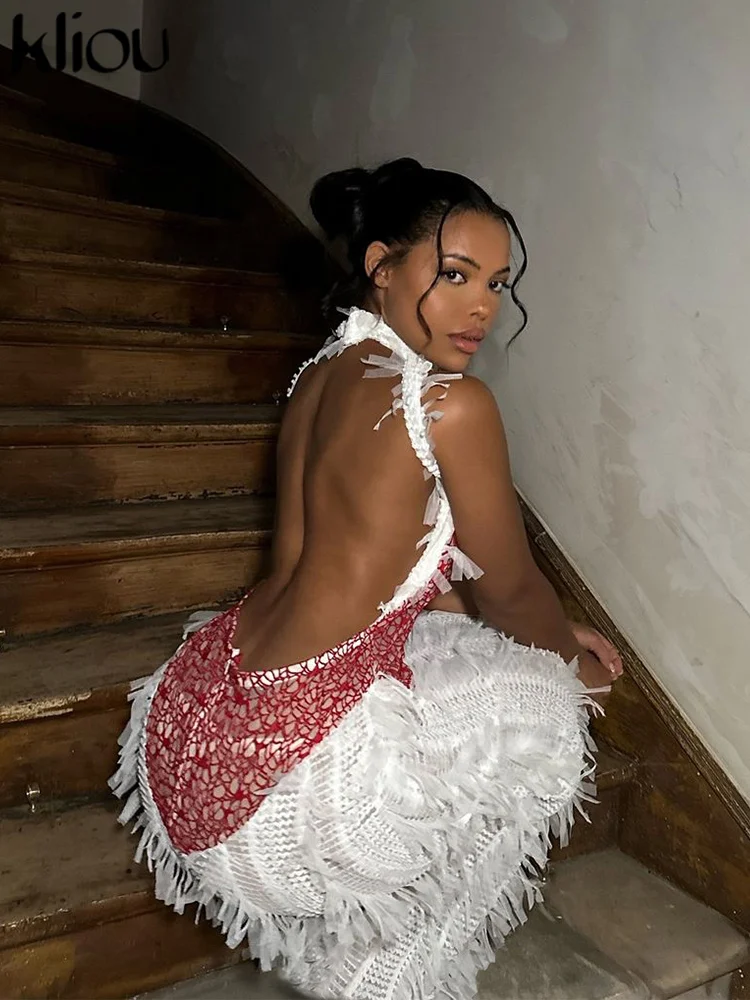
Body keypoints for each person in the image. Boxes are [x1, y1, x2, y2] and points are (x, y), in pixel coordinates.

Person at [110, 157, 623, 1000]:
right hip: (281, 790)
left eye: (497, 283)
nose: (483, 306)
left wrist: (518, 627)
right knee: (551, 716)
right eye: (454, 275)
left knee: (458, 645)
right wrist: (575, 667)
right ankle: (384, 978)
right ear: (382, 266)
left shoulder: (318, 374)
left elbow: (376, 565)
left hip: (191, 733)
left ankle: (357, 971)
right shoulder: (451, 406)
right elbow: (511, 593)